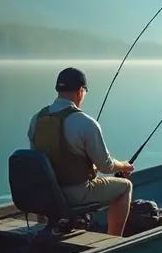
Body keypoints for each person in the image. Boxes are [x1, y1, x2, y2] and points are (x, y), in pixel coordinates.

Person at [27, 67, 135, 236]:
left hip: (46, 193)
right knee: (125, 187)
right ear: (80, 91)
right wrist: (124, 166)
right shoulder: (86, 123)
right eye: (85, 91)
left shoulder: (36, 119)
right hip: (75, 194)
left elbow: (40, 160)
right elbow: (106, 166)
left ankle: (48, 229)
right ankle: (113, 241)